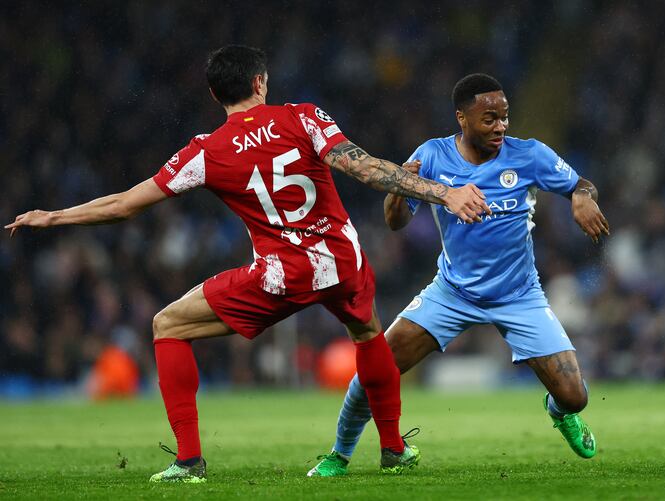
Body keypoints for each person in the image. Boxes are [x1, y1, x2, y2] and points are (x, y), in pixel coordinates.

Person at [5, 46, 491, 483]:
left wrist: (56, 216)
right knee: (367, 334)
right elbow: (364, 168)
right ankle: (393, 449)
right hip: (343, 259)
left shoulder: (206, 151)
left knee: (168, 326)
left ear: (216, 93)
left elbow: (128, 204)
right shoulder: (304, 117)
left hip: (281, 273)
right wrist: (443, 193)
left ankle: (189, 462)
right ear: (261, 82)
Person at [308, 73, 610, 477]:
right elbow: (395, 222)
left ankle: (559, 412)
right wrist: (399, 190)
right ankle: (339, 454)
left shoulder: (530, 155)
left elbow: (581, 183)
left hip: (520, 295)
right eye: (489, 119)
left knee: (575, 397)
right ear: (462, 118)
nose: (501, 126)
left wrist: (582, 198)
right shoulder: (432, 156)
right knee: (374, 370)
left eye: (504, 117)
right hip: (451, 293)